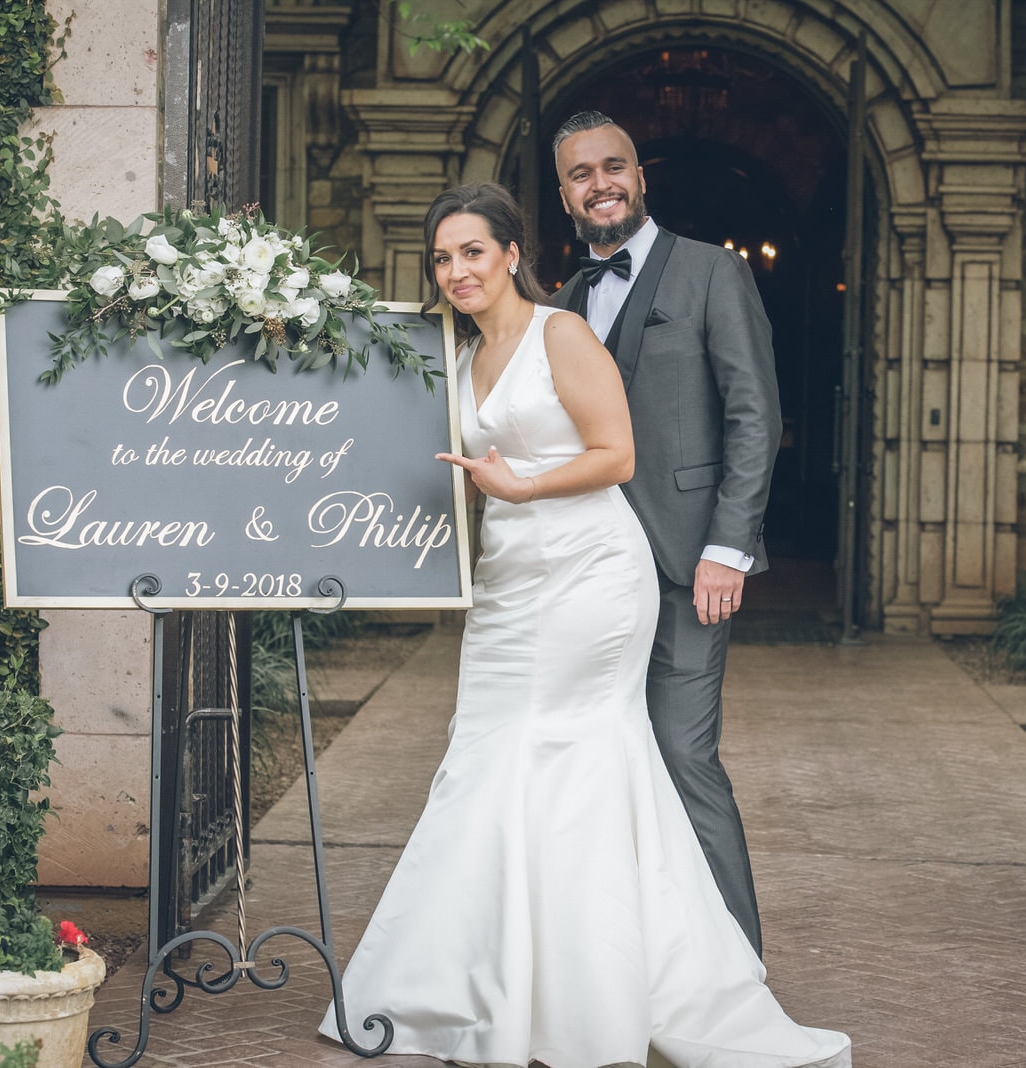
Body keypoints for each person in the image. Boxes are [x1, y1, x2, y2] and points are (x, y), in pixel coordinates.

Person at [317, 182, 849, 1068]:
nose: (457, 271)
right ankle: (479, 982)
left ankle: (591, 993)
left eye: (473, 252)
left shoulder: (561, 333)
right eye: (442, 258)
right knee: (485, 755)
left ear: (514, 254)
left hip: (591, 575)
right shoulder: (453, 356)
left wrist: (523, 486)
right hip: (509, 583)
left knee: (572, 759)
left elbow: (618, 454)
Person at [549, 110, 779, 955]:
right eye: (582, 172)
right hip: (588, 574)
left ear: (641, 178)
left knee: (684, 755)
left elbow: (754, 413)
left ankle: (737, 960)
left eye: (615, 166)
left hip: (688, 566)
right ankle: (627, 953)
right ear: (565, 191)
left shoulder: (713, 273)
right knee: (603, 764)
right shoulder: (568, 299)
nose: (600, 182)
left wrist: (729, 548)